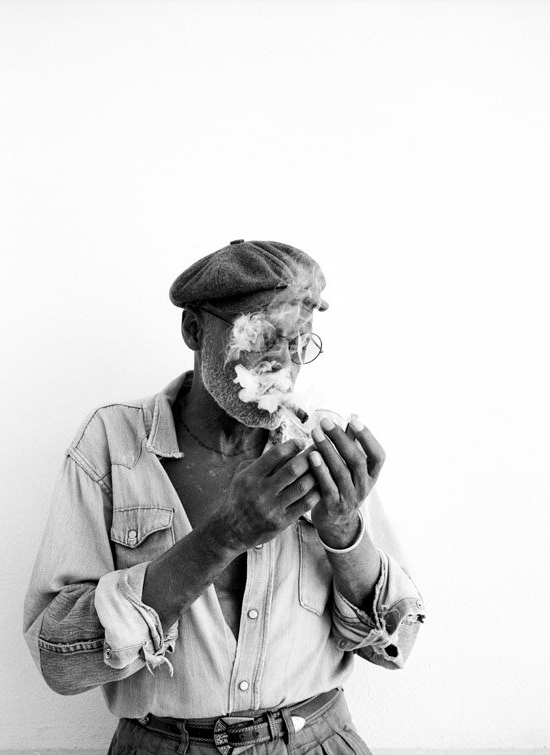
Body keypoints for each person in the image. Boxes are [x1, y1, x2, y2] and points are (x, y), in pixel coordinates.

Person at [24, 240, 426, 755]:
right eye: (262, 336)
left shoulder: (319, 446)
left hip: (316, 739)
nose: (283, 364)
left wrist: (344, 531)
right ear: (194, 330)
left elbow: (395, 644)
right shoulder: (113, 444)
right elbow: (59, 660)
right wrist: (225, 535)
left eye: (300, 342)